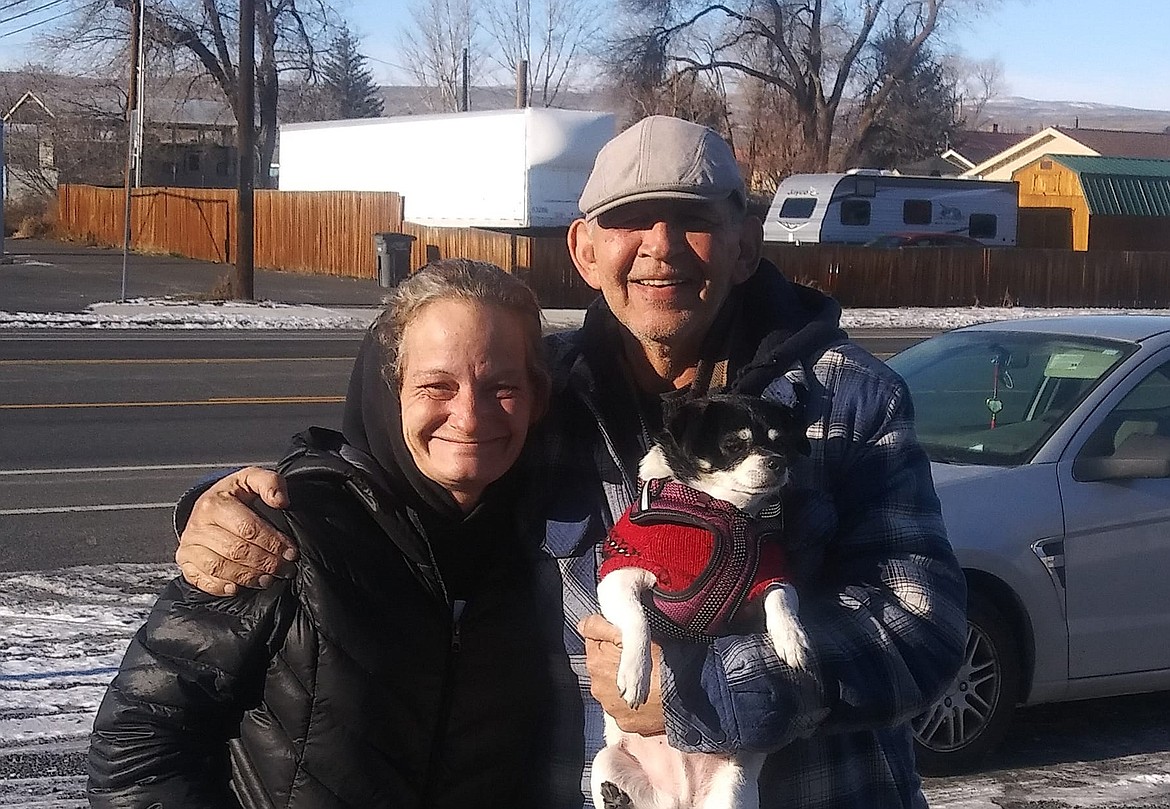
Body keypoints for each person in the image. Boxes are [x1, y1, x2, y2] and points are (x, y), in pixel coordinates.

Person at [168, 115, 968, 808]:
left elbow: (925, 631)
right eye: (629, 220)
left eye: (691, 217)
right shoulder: (540, 397)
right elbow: (397, 485)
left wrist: (714, 691)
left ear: (744, 244)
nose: (660, 247)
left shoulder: (846, 403)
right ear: (583, 249)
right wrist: (239, 503)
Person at [86, 259, 554, 808]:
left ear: (536, 398)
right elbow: (140, 745)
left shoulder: (546, 541)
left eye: (502, 386)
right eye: (436, 385)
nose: (469, 416)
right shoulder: (284, 530)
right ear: (391, 389)